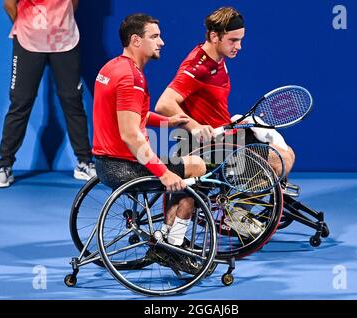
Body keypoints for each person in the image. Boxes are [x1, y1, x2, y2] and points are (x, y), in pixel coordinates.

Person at [155, 7, 296, 238]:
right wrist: (194, 126)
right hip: (214, 148)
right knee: (281, 161)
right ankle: (237, 213)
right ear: (214, 36)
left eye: (240, 40)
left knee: (287, 153)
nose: (238, 46)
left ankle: (244, 201)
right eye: (233, 40)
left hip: (228, 137)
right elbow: (164, 104)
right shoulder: (197, 67)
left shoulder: (218, 59)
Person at [92, 14, 206, 248]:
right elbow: (130, 134)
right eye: (154, 36)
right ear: (136, 40)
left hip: (105, 163)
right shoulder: (131, 78)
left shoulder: (112, 67)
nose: (161, 42)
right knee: (197, 166)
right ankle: (174, 242)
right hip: (124, 166)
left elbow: (129, 115)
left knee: (183, 165)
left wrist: (167, 121)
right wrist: (163, 173)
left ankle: (167, 232)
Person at [0, 0, 96, 188]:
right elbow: (9, 4)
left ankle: (84, 162)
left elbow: (73, 2)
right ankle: (4, 166)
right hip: (27, 40)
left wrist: (54, 25)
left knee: (73, 100)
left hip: (64, 40)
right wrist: (31, 27)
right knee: (20, 102)